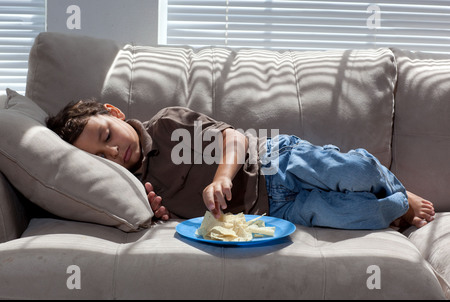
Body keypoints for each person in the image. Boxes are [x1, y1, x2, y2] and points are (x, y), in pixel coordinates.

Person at [46, 99, 435, 230]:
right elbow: (170, 220)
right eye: (100, 157)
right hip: (271, 210)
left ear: (114, 113)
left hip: (273, 162)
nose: (113, 152)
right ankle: (395, 206)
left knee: (353, 174)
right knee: (355, 216)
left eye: (107, 136)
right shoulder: (130, 186)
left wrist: (220, 179)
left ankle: (386, 181)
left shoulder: (166, 125)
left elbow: (236, 138)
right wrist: (159, 213)